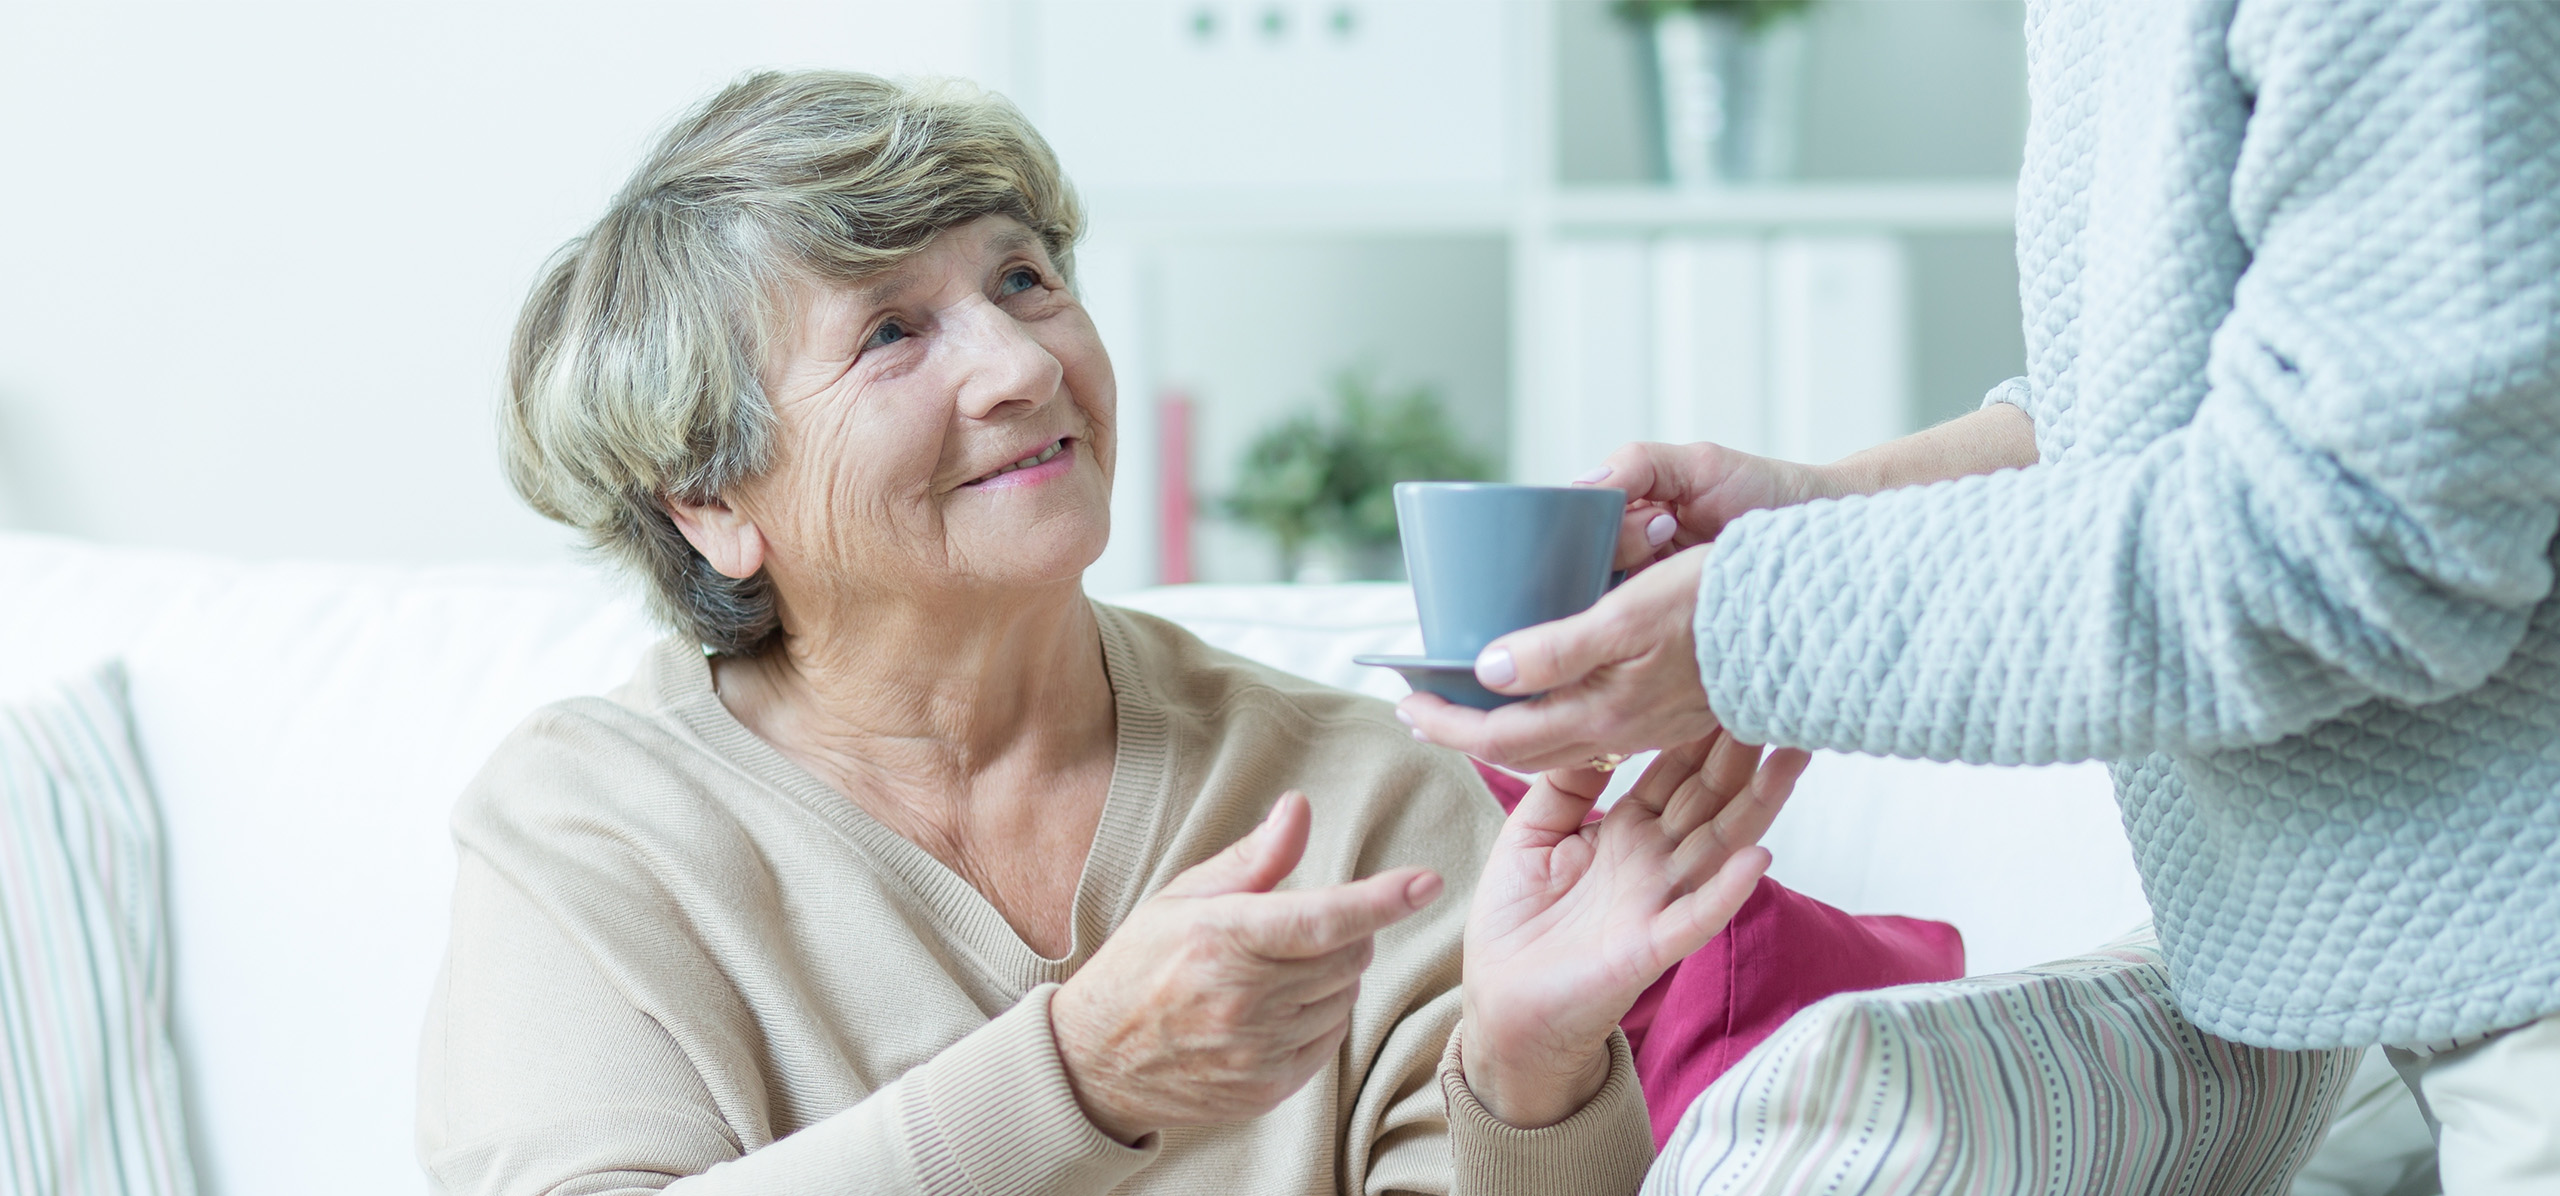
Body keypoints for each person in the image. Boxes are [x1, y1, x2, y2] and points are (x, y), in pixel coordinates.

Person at [418, 71, 1815, 1195]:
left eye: (1024, 280)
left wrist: (1532, 1072)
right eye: (893, 331)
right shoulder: (594, 826)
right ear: (713, 499)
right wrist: (1074, 1080)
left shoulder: (1354, 788)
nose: (1025, 367)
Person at [1399, 2, 2560, 1192]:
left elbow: (2372, 523)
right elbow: (2172, 408)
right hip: (2391, 976)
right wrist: (1819, 508)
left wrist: (1745, 624)